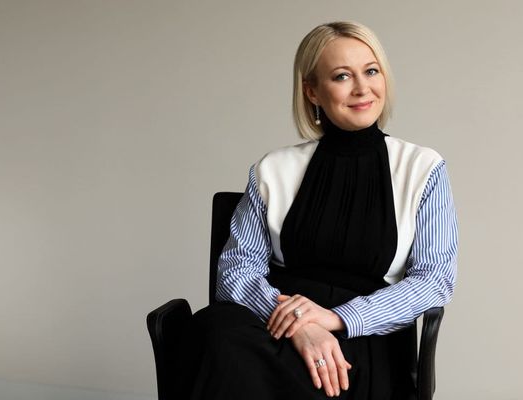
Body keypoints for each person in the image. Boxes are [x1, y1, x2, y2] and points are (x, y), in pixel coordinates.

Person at [182, 21, 458, 400]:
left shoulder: (423, 168)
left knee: (278, 369)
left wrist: (338, 319)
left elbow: (434, 280)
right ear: (312, 91)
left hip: (363, 334)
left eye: (371, 71)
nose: (362, 88)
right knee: (215, 331)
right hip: (275, 322)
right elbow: (235, 270)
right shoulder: (272, 169)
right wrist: (299, 323)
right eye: (342, 76)